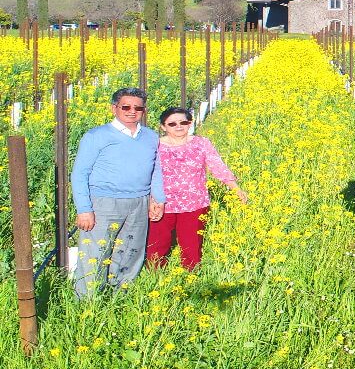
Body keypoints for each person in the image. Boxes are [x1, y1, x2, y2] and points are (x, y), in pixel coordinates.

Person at [71, 87, 166, 297]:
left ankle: (120, 298)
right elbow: (79, 174)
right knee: (95, 253)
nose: (132, 111)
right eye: (126, 107)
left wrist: (158, 199)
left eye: (138, 108)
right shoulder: (96, 136)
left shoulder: (150, 136)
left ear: (144, 111)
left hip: (139, 201)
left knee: (131, 252)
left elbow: (156, 169)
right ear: (114, 108)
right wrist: (84, 209)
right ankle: (87, 302)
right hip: (104, 202)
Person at [146, 107, 246, 271]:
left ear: (190, 123)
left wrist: (235, 189)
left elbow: (217, 166)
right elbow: (146, 173)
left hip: (195, 203)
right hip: (161, 203)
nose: (179, 126)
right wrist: (150, 199)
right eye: (172, 124)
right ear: (163, 126)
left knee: (192, 245)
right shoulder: (154, 146)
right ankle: (153, 277)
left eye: (183, 122)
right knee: (157, 244)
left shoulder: (201, 143)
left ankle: (191, 276)